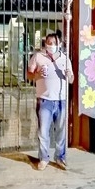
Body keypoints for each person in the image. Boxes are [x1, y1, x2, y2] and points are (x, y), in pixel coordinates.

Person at [27, 32, 74, 171]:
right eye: (48, 42)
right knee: (43, 131)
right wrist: (36, 74)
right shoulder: (38, 57)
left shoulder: (65, 59)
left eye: (53, 43)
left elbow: (71, 80)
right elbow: (28, 74)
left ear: (59, 44)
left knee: (61, 131)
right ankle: (44, 158)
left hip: (61, 100)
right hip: (44, 100)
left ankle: (60, 157)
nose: (50, 45)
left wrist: (68, 75)